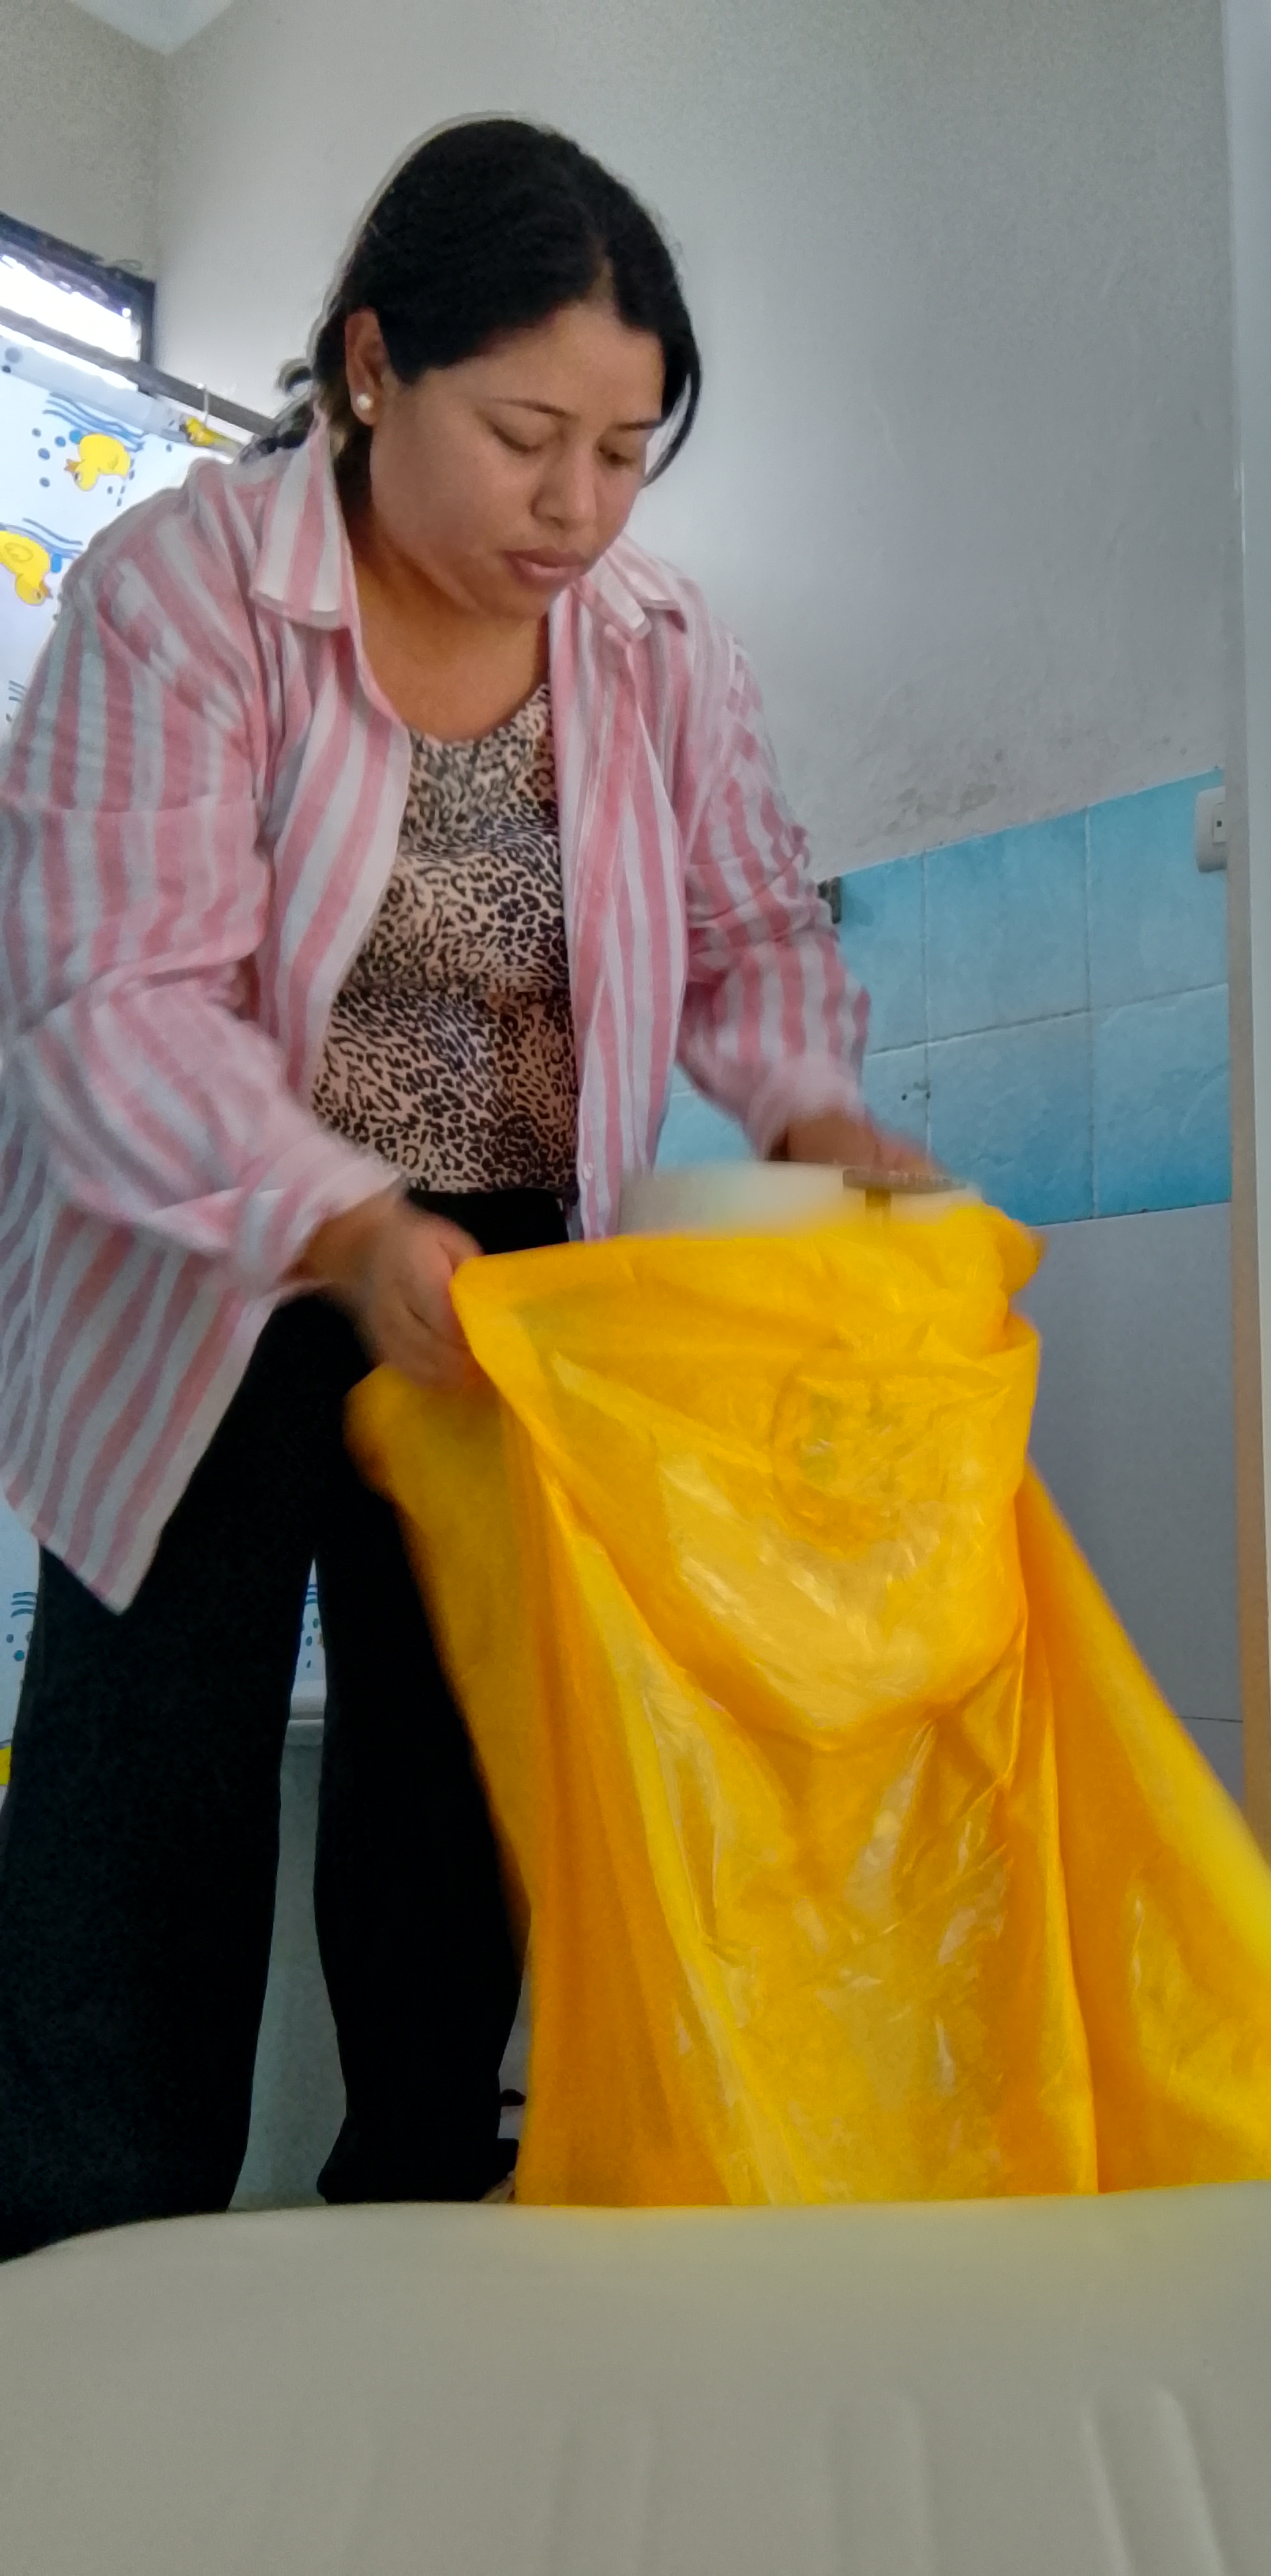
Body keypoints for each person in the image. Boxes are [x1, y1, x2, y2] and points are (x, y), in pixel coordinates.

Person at [0, 117, 915, 2261]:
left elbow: (751, 931)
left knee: (459, 1777)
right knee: (149, 1791)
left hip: (500, 1274)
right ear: (369, 366)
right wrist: (337, 1220)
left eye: (624, 453)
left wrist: (813, 1114)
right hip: (210, 1264)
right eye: (525, 438)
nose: (577, 507)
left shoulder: (656, 646)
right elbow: (115, 1001)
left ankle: (417, 2228)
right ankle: (82, 2285)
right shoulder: (181, 599)